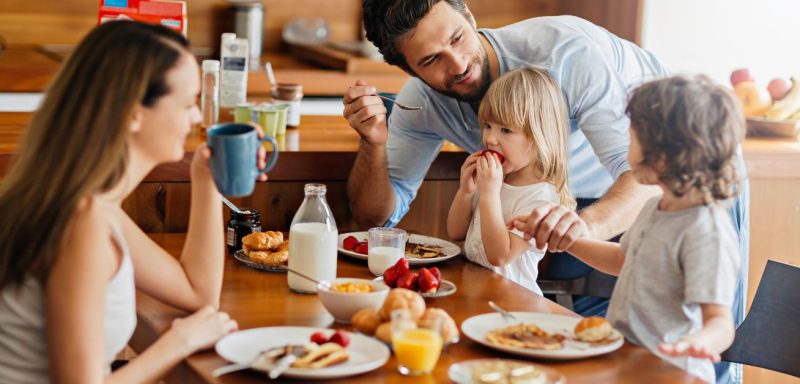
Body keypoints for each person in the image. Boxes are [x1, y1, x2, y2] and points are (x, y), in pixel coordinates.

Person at [344, 3, 751, 382]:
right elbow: (377, 217)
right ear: (410, 70)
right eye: (431, 60)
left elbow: (635, 177)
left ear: (468, 14)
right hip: (616, 208)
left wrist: (575, 223)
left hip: (665, 183)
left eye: (456, 38)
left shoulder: (566, 54)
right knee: (615, 349)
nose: (458, 64)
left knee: (697, 351)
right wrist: (374, 143)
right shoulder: (423, 103)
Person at [0, 21, 266, 382]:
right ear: (133, 113)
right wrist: (179, 342)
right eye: (188, 103)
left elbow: (198, 292)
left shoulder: (90, 204)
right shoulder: (81, 221)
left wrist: (206, 179)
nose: (198, 117)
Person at [516, 75, 742, 383]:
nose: (626, 146)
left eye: (632, 136)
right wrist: (567, 240)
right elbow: (624, 260)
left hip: (671, 371)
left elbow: (721, 322)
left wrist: (699, 342)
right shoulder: (656, 206)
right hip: (629, 359)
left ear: (663, 152)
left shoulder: (706, 231)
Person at [447, 68, 574, 295]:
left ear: (538, 136)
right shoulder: (495, 179)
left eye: (505, 130)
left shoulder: (542, 197)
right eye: (487, 126)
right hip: (476, 290)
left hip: (513, 301)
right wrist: (466, 192)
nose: (490, 138)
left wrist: (488, 195)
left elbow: (500, 256)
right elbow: (456, 232)